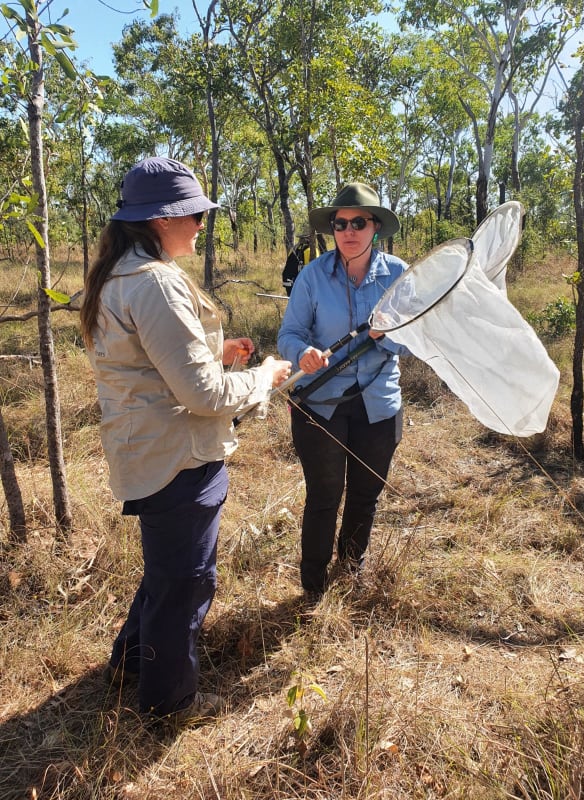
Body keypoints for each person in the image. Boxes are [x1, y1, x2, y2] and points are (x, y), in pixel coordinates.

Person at [80, 157, 291, 726]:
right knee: (187, 583)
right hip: (178, 458)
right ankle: (168, 703)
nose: (200, 223)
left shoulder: (123, 273)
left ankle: (130, 663)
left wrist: (217, 356)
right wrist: (263, 377)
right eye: (193, 213)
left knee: (166, 571)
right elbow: (201, 396)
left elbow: (148, 365)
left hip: (149, 451)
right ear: (160, 219)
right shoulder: (155, 283)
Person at [277, 183, 409, 598]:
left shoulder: (399, 274)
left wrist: (385, 336)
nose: (349, 230)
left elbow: (415, 338)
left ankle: (351, 571)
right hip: (320, 404)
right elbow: (289, 334)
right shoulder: (313, 276)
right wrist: (303, 354)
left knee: (365, 495)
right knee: (324, 495)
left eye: (358, 222)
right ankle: (313, 586)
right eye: (340, 223)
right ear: (331, 229)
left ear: (375, 227)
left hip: (380, 404)